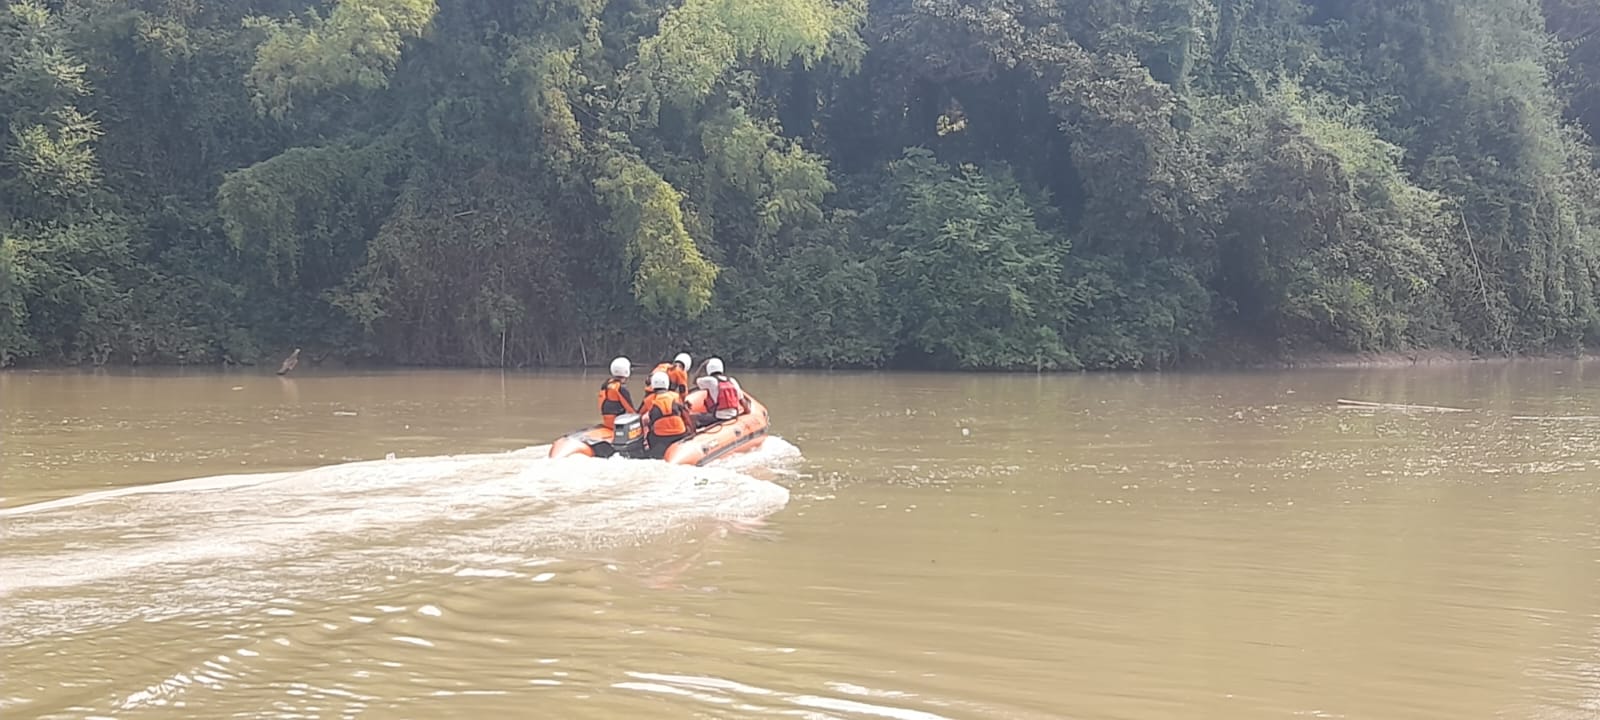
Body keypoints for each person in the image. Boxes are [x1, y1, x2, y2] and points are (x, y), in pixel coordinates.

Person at [640, 370, 693, 459]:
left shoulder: (648, 400)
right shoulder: (675, 396)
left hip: (660, 437)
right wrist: (691, 431)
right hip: (680, 433)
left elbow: (639, 414)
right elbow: (685, 415)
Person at [692, 357, 750, 428]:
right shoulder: (732, 381)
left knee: (692, 417)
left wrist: (702, 366)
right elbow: (742, 401)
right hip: (734, 415)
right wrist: (747, 412)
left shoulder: (710, 381)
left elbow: (694, 381)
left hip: (718, 417)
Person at [597, 356, 635, 430]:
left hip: (606, 420)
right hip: (617, 422)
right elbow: (630, 409)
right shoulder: (621, 388)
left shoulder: (606, 384)